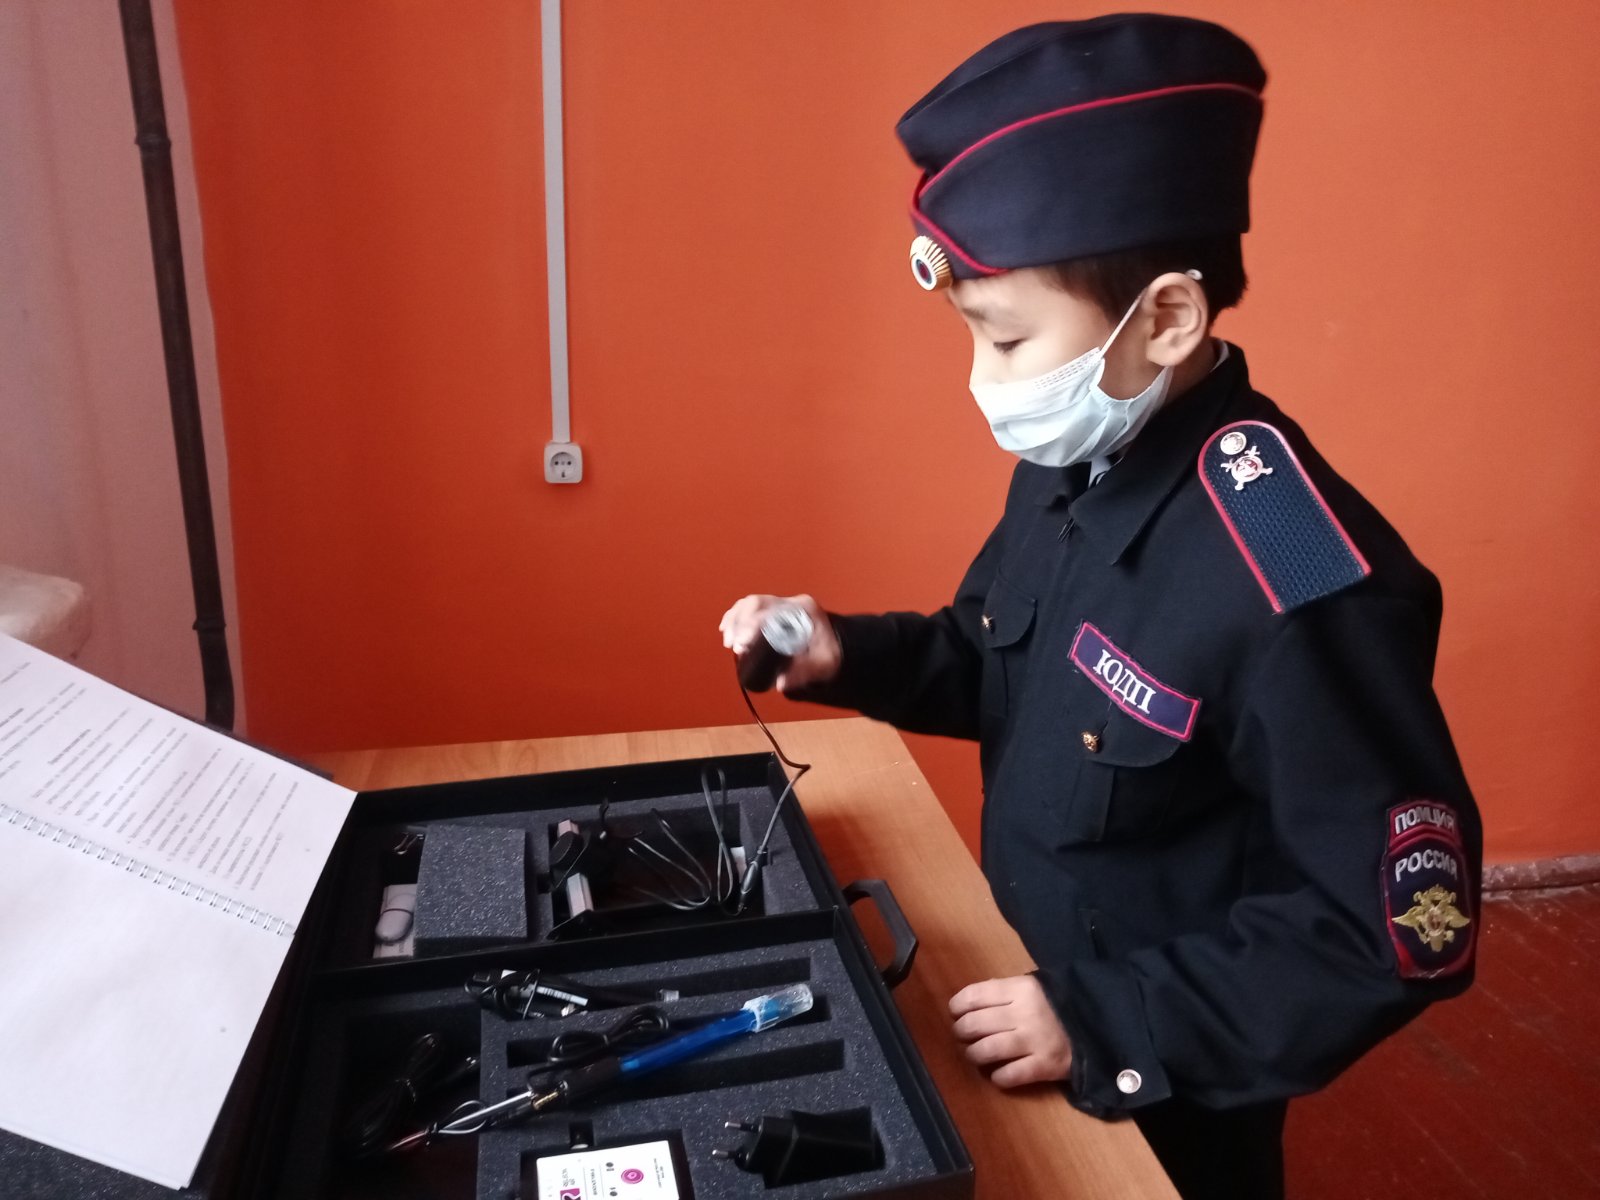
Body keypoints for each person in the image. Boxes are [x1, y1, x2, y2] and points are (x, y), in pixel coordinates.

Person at [719, 14, 1481, 1200]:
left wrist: (1105, 1021)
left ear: (1165, 320)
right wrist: (844, 654)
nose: (985, 382)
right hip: (1019, 986)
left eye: (1009, 340)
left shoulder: (1295, 577)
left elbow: (1399, 931)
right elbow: (994, 656)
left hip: (1167, 1078)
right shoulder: (1080, 454)